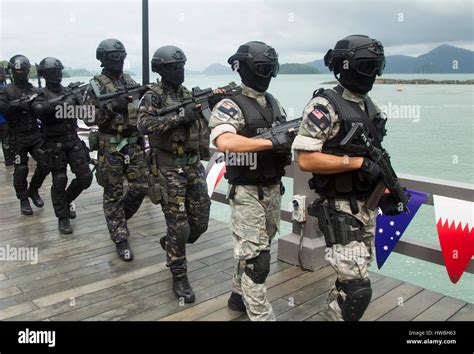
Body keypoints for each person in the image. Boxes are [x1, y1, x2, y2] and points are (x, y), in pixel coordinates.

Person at [292, 35, 398, 321]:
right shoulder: (324, 106)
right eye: (367, 66)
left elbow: (375, 158)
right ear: (346, 66)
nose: (373, 74)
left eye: (377, 66)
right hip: (339, 209)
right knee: (358, 289)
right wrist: (356, 163)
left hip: (365, 208)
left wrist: (385, 189)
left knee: (348, 282)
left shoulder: (369, 107)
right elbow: (305, 159)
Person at [208, 41, 292, 321]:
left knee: (256, 248)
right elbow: (225, 140)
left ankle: (237, 295)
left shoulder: (273, 103)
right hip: (247, 192)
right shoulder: (231, 105)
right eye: (262, 68)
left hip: (272, 189)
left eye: (270, 69)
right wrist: (270, 142)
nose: (266, 74)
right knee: (258, 262)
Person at [137, 45, 214, 303]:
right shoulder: (153, 96)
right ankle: (179, 276)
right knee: (178, 226)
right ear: (160, 69)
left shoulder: (187, 93)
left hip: (193, 166)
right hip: (169, 168)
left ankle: (170, 243)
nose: (179, 70)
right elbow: (144, 125)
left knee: (200, 222)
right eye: (173, 67)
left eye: (181, 65)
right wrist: (181, 116)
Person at [83, 39, 148, 261]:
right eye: (114, 57)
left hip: (133, 142)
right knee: (113, 190)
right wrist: (113, 106)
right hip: (110, 142)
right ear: (102, 58)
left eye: (122, 55)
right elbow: (88, 117)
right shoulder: (94, 86)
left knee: (140, 186)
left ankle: (118, 219)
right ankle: (120, 237)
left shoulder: (130, 80)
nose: (119, 60)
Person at [31, 57, 93, 234]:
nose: (57, 75)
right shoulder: (40, 94)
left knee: (85, 178)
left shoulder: (70, 92)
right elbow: (39, 110)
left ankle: (64, 202)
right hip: (54, 144)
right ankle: (62, 216)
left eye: (58, 71)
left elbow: (86, 115)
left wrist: (81, 100)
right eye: (52, 72)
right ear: (44, 74)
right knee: (59, 180)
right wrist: (64, 104)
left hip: (73, 141)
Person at [0, 55, 49, 215]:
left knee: (45, 163)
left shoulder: (34, 90)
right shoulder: (6, 91)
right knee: (20, 169)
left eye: (23, 70)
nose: (20, 73)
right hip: (17, 136)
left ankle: (33, 189)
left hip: (35, 134)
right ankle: (23, 198)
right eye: (17, 70)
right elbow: (4, 108)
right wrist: (20, 104)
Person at [0, 65, 13, 166]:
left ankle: (8, 159)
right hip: (3, 120)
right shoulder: (4, 89)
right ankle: (9, 160)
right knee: (6, 140)